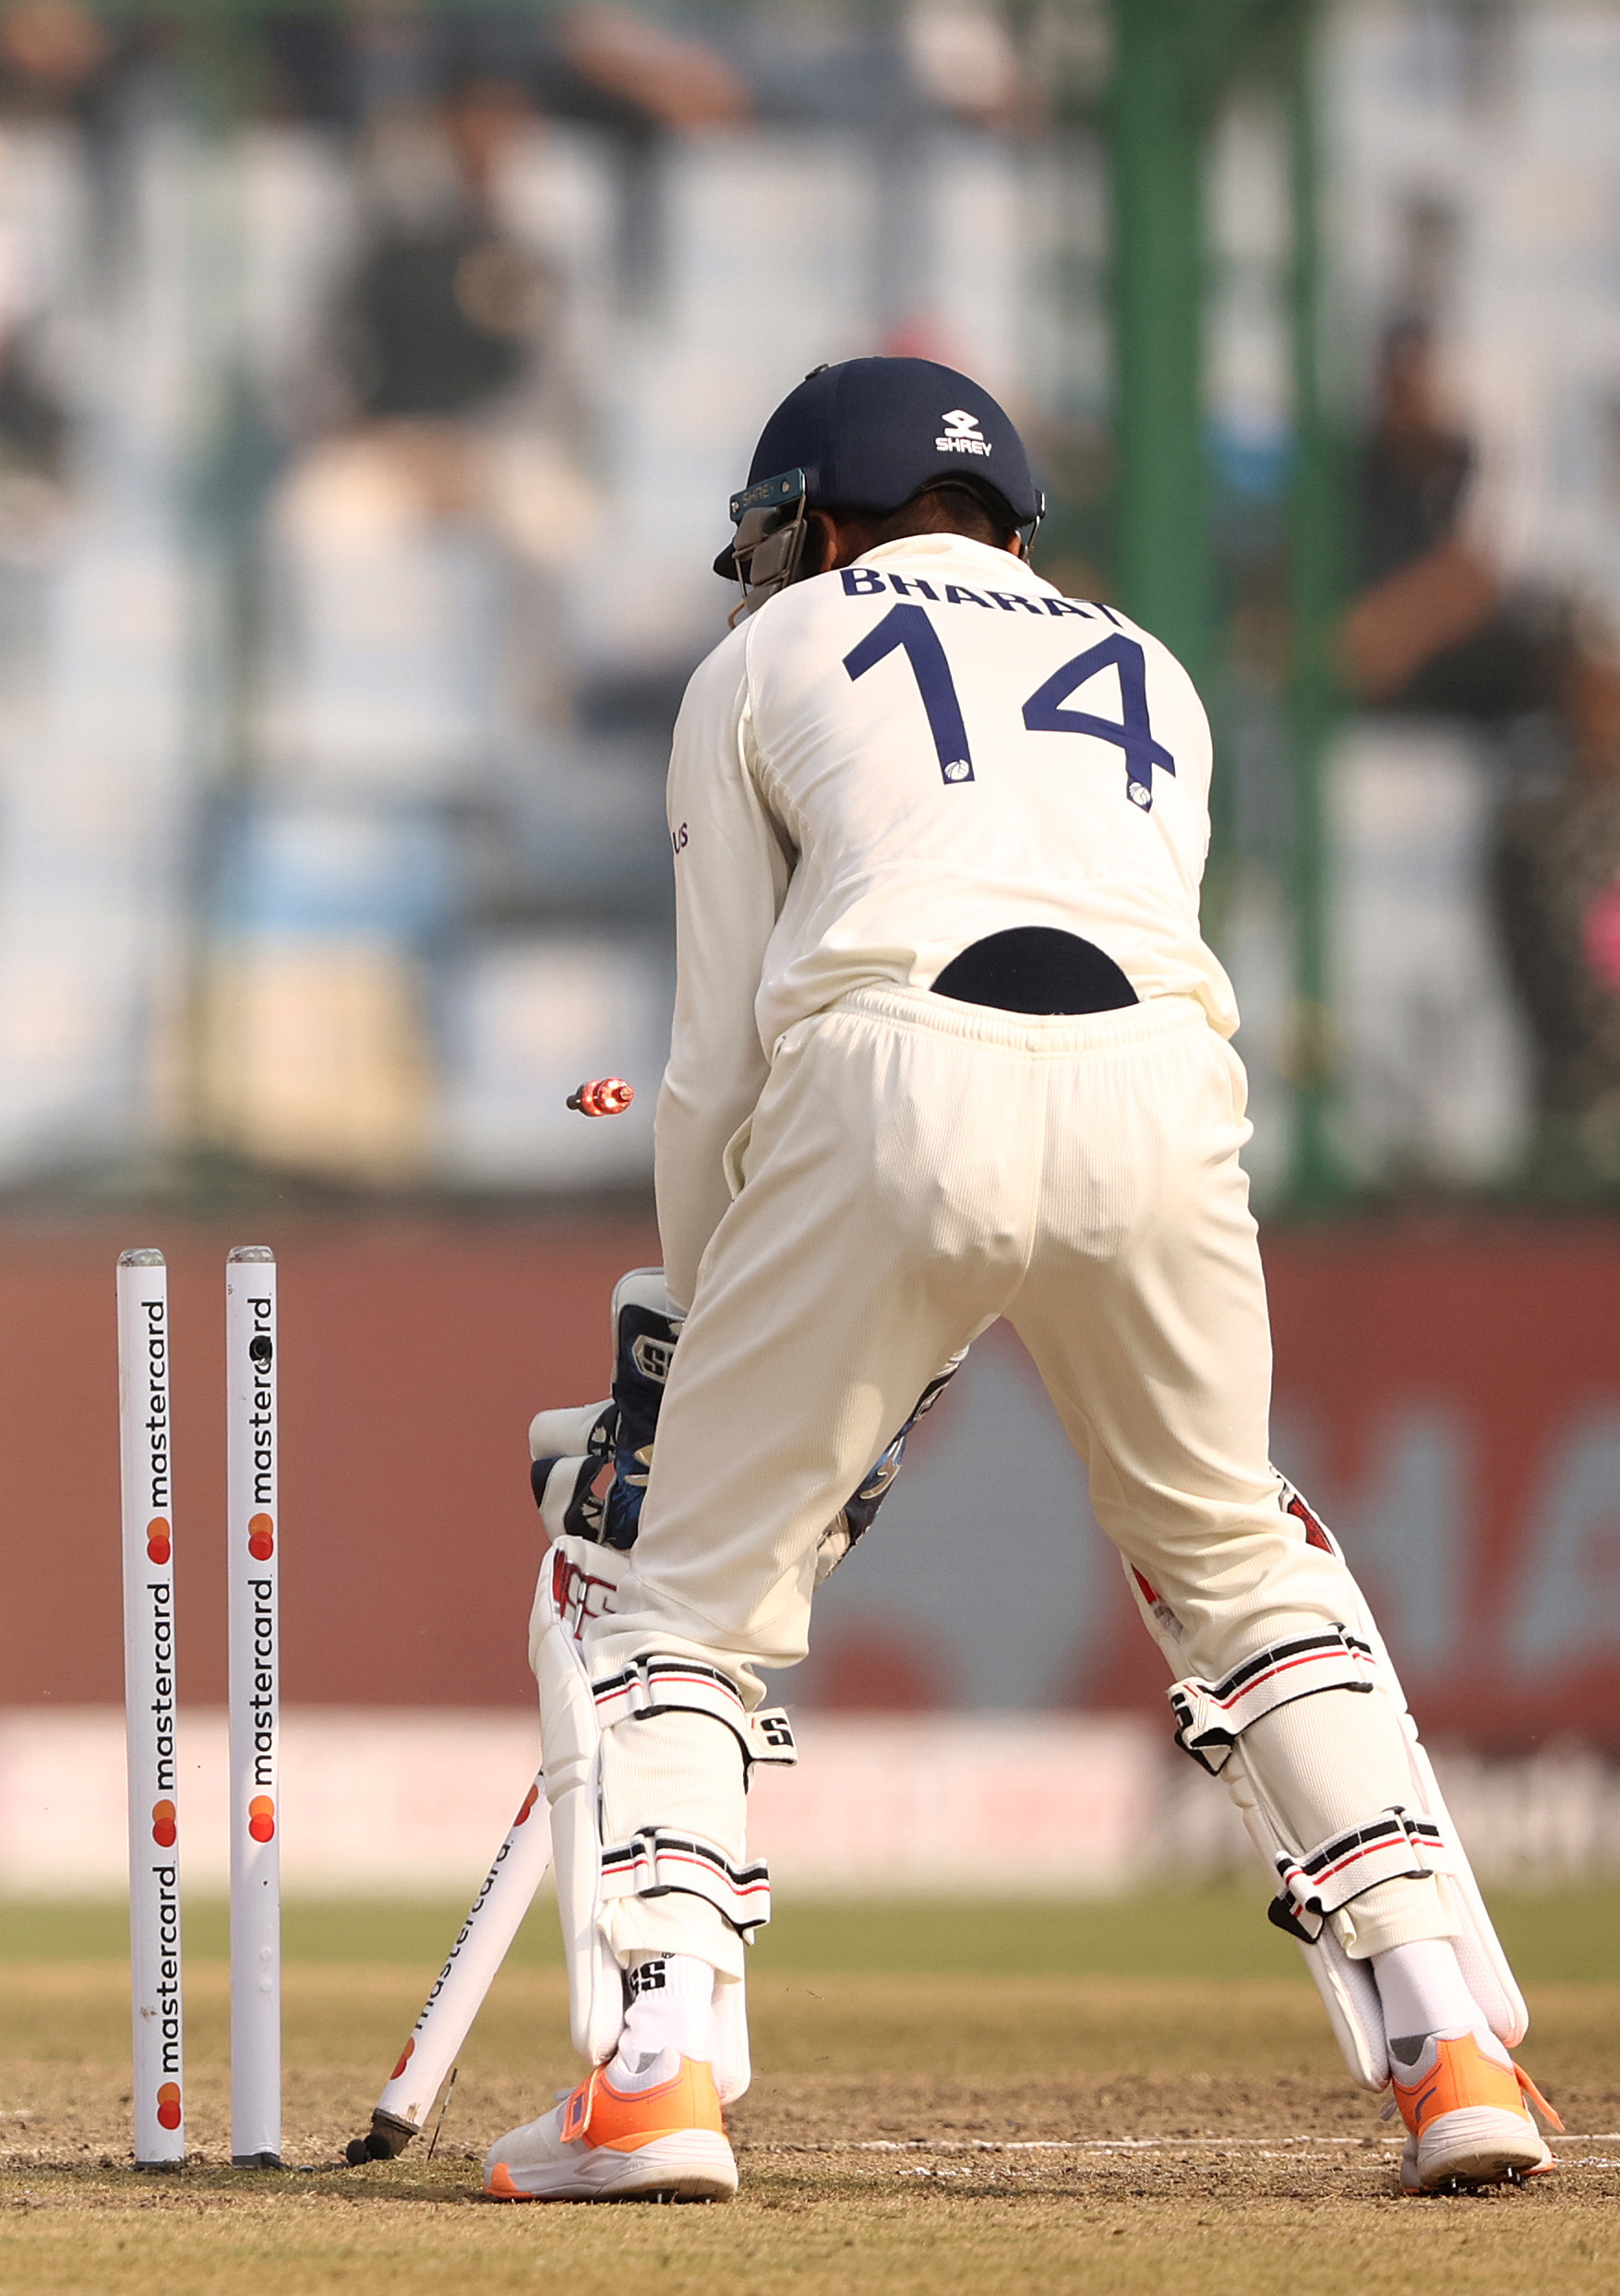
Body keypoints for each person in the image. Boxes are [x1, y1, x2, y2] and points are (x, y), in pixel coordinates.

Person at [482, 359, 1555, 2204]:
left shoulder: (763, 655)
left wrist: (683, 1315)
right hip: (1162, 1090)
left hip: (881, 1066)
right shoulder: (1151, 669)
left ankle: (658, 2070)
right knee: (1233, 1556)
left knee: (683, 1601)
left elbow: (716, 1068)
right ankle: (1450, 2040)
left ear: (813, 523)